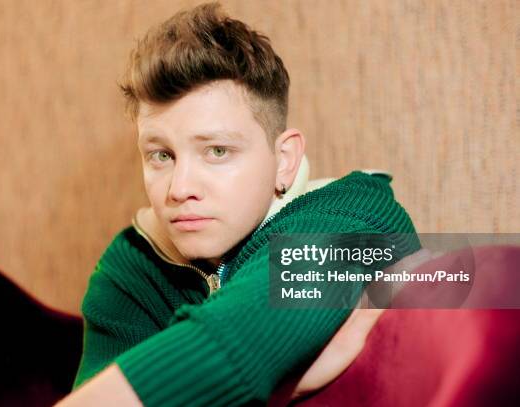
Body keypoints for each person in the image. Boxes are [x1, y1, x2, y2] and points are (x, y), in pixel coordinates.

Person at [55, 2, 420, 406]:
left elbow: (233, 343)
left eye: (217, 151)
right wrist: (285, 388)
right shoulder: (131, 268)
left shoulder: (353, 219)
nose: (179, 188)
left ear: (284, 161)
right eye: (161, 155)